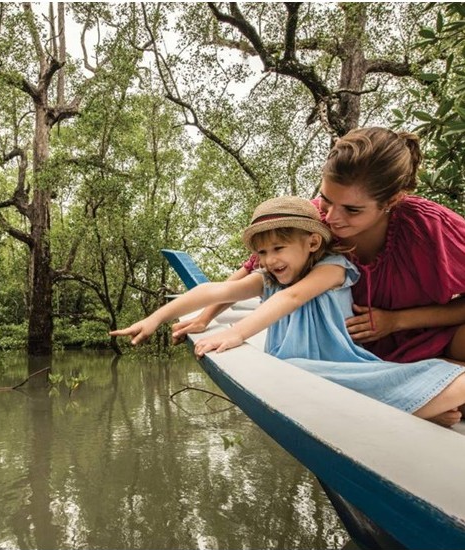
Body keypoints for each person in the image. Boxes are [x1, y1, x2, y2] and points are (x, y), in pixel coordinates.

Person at [111, 196, 465, 426]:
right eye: (262, 253)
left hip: (338, 365)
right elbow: (217, 289)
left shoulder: (335, 268)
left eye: (278, 248)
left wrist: (236, 332)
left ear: (311, 242)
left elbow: (292, 299)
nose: (268, 261)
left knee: (347, 387)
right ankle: (424, 410)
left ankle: (433, 398)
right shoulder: (269, 279)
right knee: (297, 379)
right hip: (299, 371)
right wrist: (155, 317)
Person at [173, 127, 465, 367]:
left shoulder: (429, 226)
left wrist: (398, 321)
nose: (331, 217)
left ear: (390, 202)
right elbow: (253, 269)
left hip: (428, 335)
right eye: (326, 198)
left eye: (352, 210)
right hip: (349, 354)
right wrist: (204, 317)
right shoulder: (311, 222)